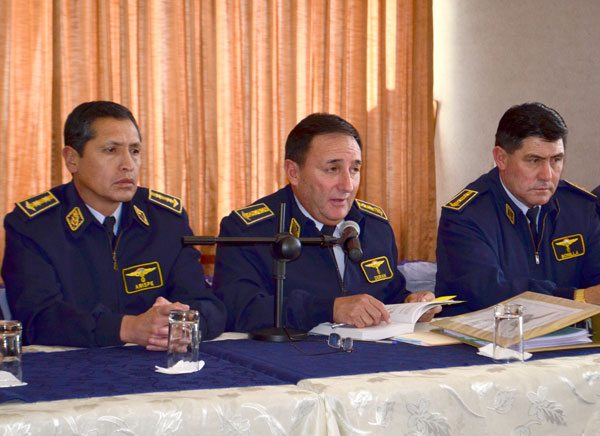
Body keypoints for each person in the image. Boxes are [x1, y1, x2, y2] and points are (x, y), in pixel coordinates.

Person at [2, 101, 226, 347]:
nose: (128, 164)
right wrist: (129, 328)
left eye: (135, 151)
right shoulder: (33, 226)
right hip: (71, 372)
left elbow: (208, 306)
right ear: (72, 159)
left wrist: (183, 323)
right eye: (111, 150)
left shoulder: (166, 221)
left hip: (156, 363)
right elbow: (38, 319)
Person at [213, 113, 439, 333]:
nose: (348, 185)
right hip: (293, 360)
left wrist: (411, 303)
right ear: (294, 172)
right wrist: (328, 309)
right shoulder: (249, 230)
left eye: (355, 169)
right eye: (333, 169)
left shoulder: (374, 225)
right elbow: (237, 310)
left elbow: (389, 293)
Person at [436, 102, 600, 313]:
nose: (547, 175)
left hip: (573, 340)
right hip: (485, 342)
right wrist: (577, 297)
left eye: (556, 160)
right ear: (501, 158)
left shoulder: (581, 208)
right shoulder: (465, 218)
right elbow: (488, 294)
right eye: (534, 160)